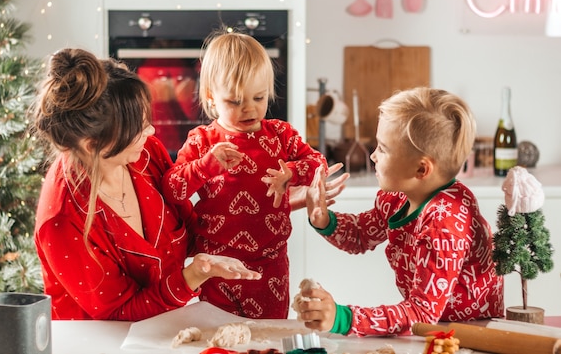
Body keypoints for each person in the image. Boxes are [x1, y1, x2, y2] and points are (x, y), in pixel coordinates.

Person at [30, 48, 262, 321]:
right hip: (100, 344)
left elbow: (189, 229)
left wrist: (260, 209)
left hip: (161, 329)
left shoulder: (146, 153)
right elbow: (120, 312)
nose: (151, 132)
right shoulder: (62, 220)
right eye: (138, 127)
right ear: (94, 145)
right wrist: (194, 275)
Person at [298, 87, 504, 336]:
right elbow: (362, 234)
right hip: (431, 325)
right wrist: (323, 219)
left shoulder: (445, 224)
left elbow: (421, 314)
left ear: (421, 169)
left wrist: (344, 318)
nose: (373, 155)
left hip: (471, 333)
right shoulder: (397, 196)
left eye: (383, 149)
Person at [161, 31, 328, 319]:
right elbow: (173, 189)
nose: (249, 108)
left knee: (268, 340)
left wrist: (292, 173)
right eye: (235, 101)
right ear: (212, 96)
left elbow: (318, 164)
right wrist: (205, 166)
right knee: (220, 339)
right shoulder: (203, 141)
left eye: (258, 97)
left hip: (270, 267)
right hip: (216, 267)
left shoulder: (280, 135)